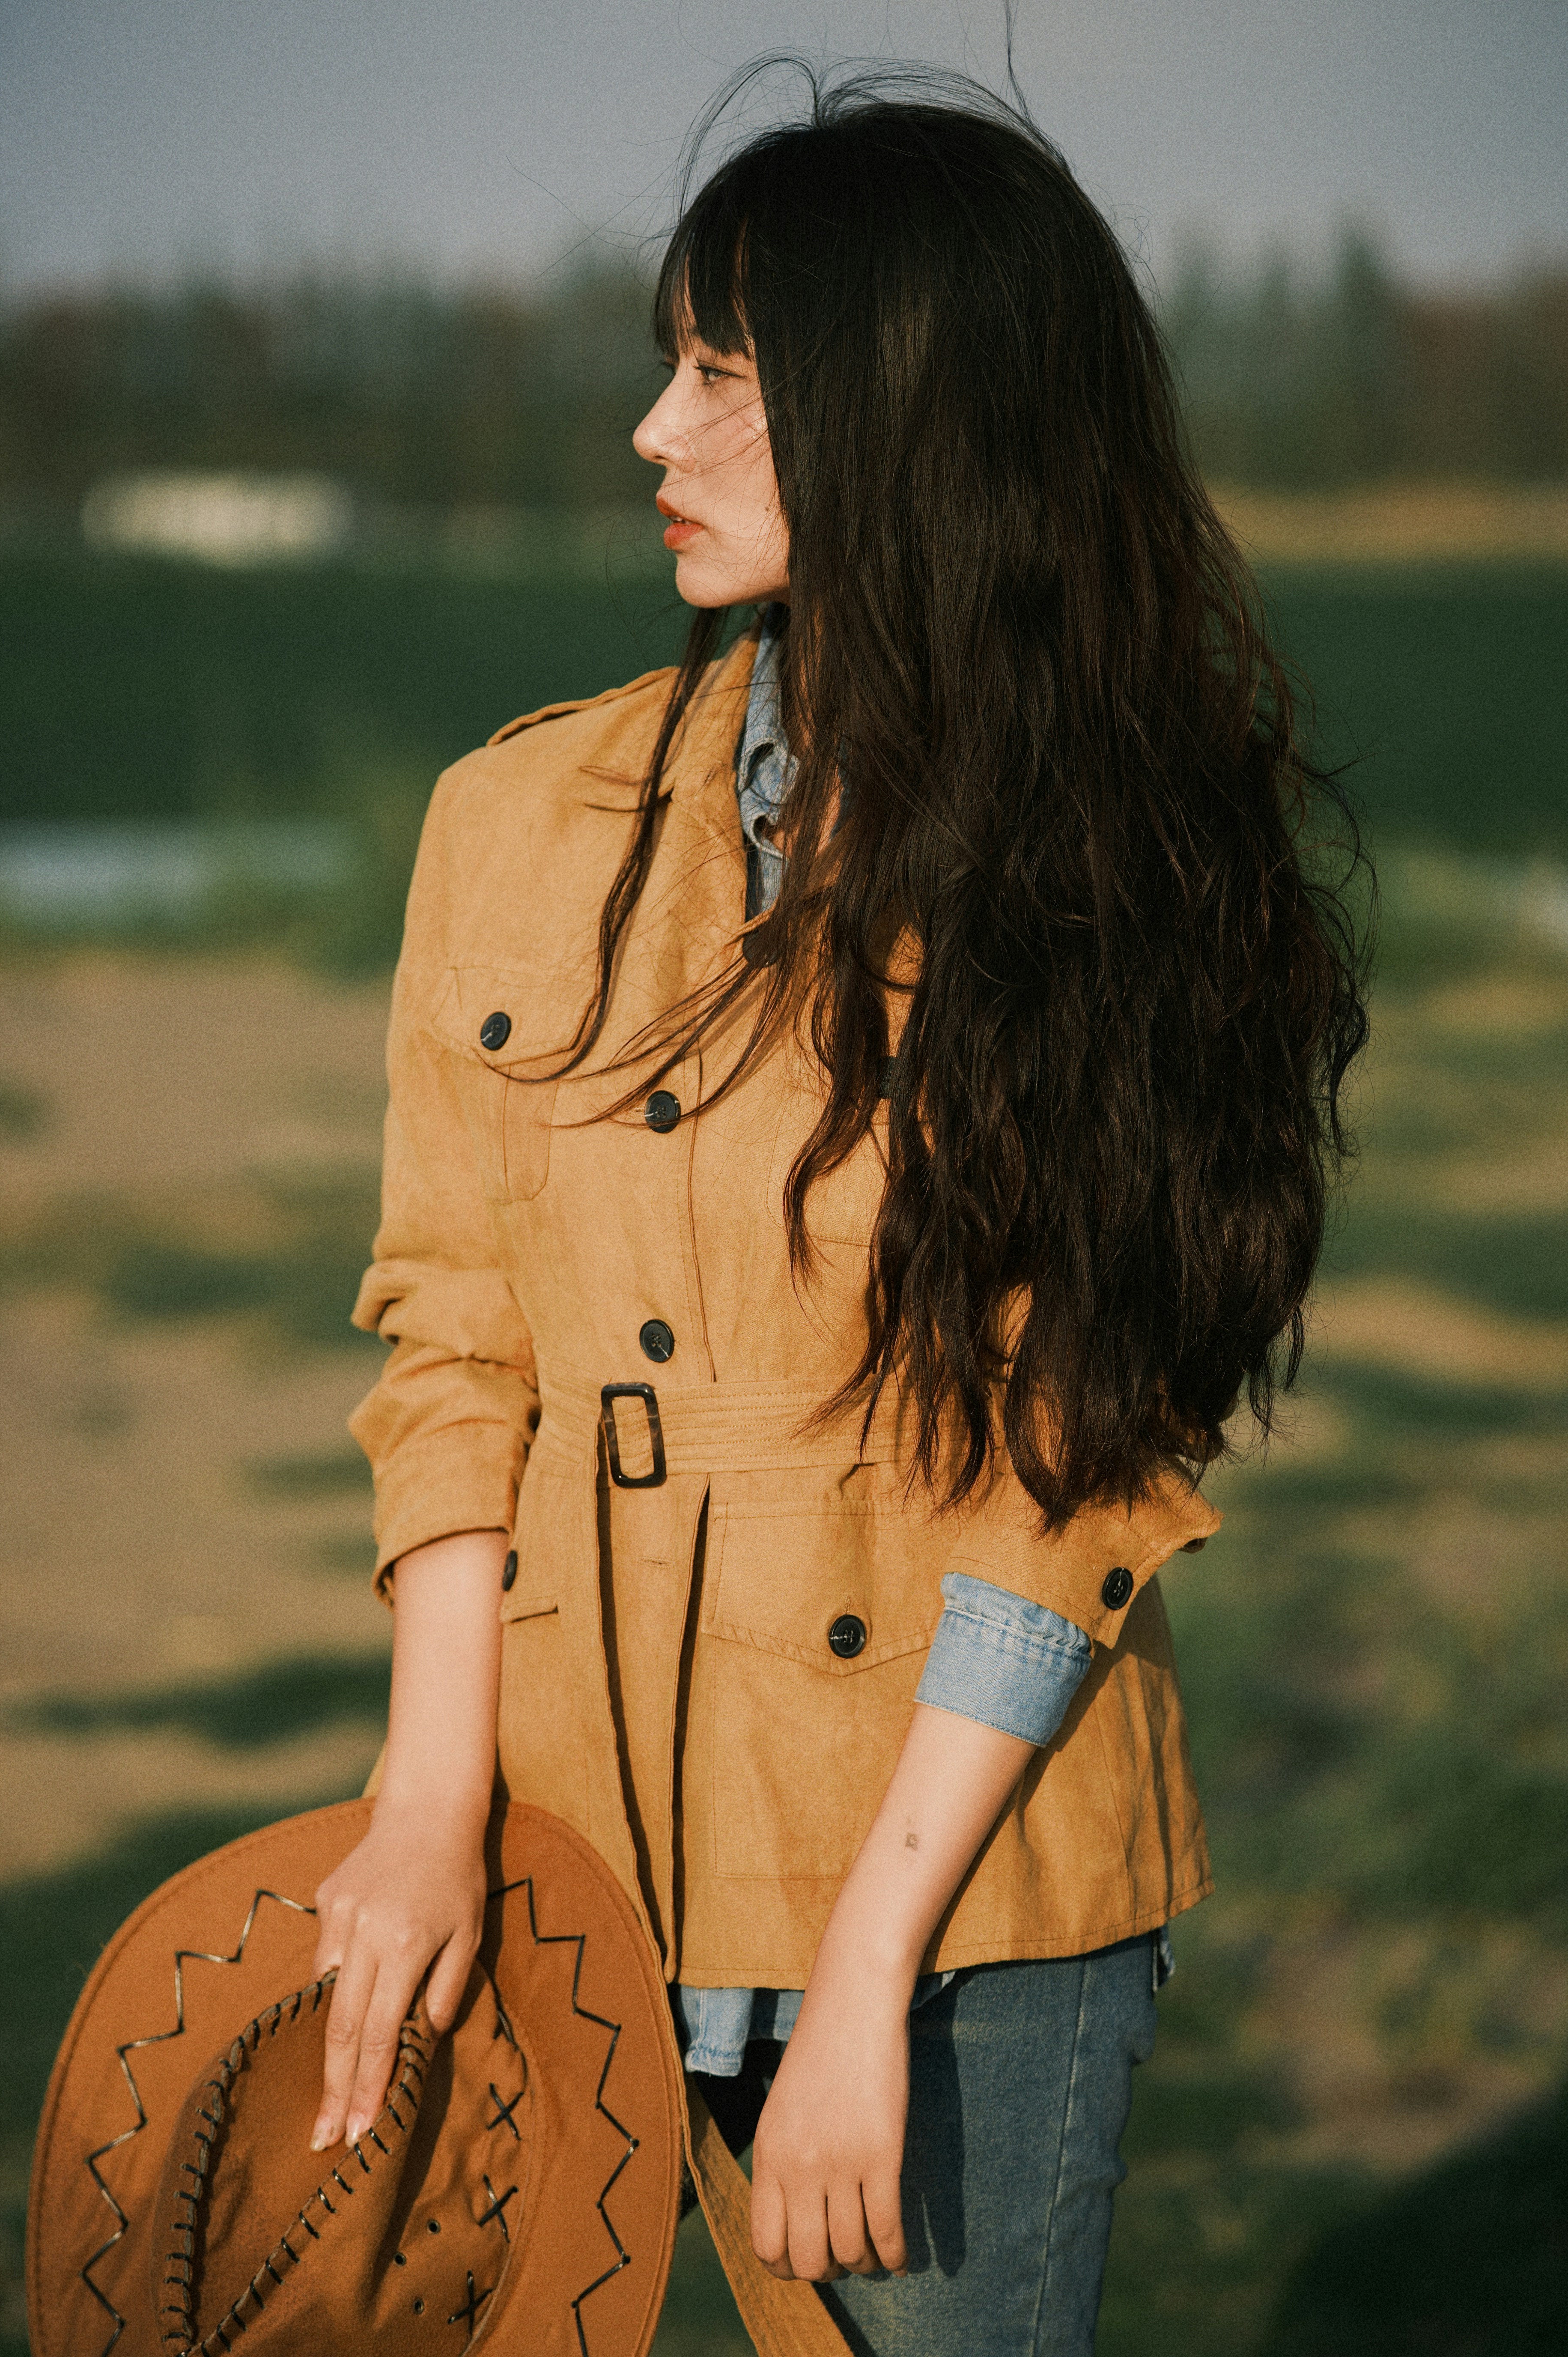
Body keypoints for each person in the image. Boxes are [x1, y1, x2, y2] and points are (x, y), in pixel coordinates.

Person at [309, 73, 1368, 2356]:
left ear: (915, 426)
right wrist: (424, 1807)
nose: (646, 434)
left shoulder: (1112, 873)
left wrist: (865, 1983)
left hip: (955, 1916)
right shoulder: (516, 823)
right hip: (575, 1872)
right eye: (669, 362)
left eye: (719, 375)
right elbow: (459, 1342)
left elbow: (1075, 1462)